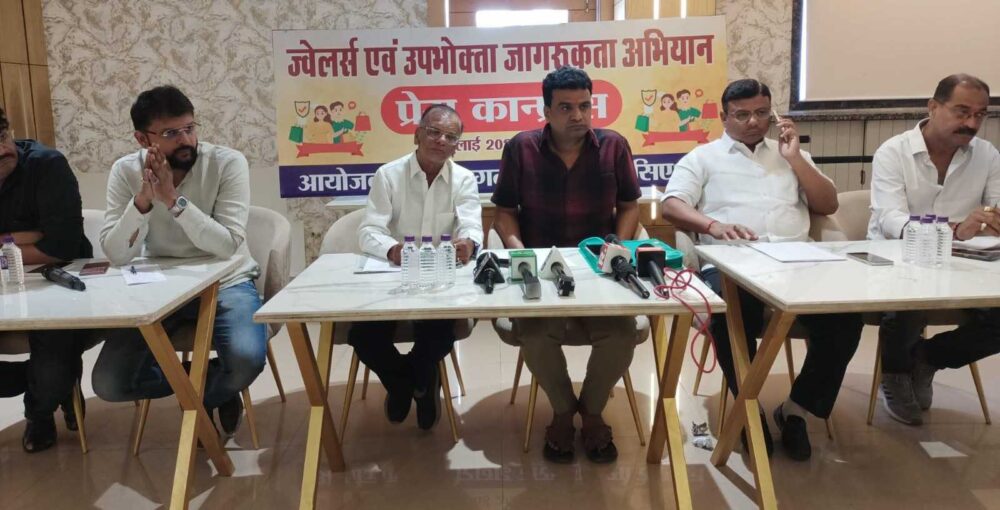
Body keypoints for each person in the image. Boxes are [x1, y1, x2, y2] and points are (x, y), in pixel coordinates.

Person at [661, 78, 863, 461]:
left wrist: (795, 159)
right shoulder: (702, 158)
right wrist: (711, 225)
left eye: (761, 113)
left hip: (797, 262)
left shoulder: (790, 155)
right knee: (731, 314)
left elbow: (828, 205)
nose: (753, 121)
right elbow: (671, 205)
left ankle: (796, 410)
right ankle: (747, 409)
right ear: (724, 116)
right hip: (732, 263)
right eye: (742, 115)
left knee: (846, 315)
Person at [94, 85, 266, 438]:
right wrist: (142, 202)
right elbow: (118, 254)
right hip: (160, 284)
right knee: (110, 383)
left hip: (225, 281)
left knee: (247, 361)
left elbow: (226, 245)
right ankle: (205, 382)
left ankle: (211, 395)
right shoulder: (125, 171)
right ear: (143, 139)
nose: (186, 140)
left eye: (189, 128)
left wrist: (173, 201)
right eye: (171, 133)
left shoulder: (227, 162)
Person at [492, 66, 642, 464]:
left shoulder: (613, 145)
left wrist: (619, 244)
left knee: (621, 335)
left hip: (599, 270)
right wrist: (518, 251)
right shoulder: (521, 147)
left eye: (584, 106)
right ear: (546, 111)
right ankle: (562, 411)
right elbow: (504, 212)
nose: (578, 115)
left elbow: (629, 205)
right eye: (565, 107)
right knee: (535, 335)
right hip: (542, 272)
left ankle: (590, 412)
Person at [869, 73, 1000, 426]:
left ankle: (927, 357)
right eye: (962, 112)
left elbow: (996, 210)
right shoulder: (893, 152)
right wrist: (954, 230)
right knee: (908, 304)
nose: (971, 123)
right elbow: (890, 219)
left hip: (967, 263)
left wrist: (989, 220)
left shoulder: (987, 154)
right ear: (933, 107)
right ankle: (896, 373)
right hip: (899, 259)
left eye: (980, 114)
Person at [353, 104, 482, 430]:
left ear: (457, 145)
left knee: (440, 334)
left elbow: (471, 226)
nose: (441, 140)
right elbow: (369, 230)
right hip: (392, 278)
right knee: (362, 335)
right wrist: (392, 249)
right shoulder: (388, 175)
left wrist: (468, 243)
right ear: (416, 135)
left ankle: (412, 381)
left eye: (450, 136)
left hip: (440, 279)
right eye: (434, 132)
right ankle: (411, 383)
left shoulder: (464, 179)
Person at [0, 107, 93, 452]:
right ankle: (57, 381)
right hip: (6, 283)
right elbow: (45, 240)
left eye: (2, 137)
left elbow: (61, 245)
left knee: (52, 368)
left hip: (57, 278)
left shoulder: (47, 165)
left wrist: (7, 245)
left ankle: (40, 411)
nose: (2, 150)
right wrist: (28, 236)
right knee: (51, 373)